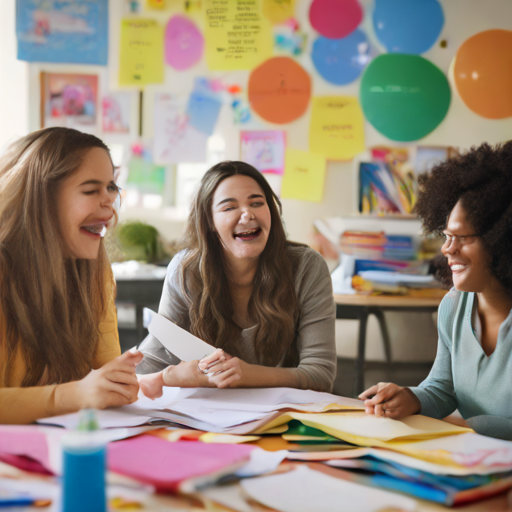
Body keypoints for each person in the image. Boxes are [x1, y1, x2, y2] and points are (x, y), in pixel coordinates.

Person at [137, 161, 336, 397]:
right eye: (229, 207)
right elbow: (149, 364)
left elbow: (320, 374)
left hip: (284, 416)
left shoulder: (307, 267)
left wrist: (248, 375)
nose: (247, 214)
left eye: (257, 203)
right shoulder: (185, 270)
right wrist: (170, 376)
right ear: (209, 221)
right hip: (208, 417)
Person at [359, 142, 512, 440]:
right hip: (475, 459)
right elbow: (443, 388)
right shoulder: (454, 306)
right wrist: (410, 398)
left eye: (461, 238)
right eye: (446, 236)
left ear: (502, 239)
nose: (446, 249)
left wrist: (469, 426)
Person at [0, 127, 142, 425]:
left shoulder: (95, 273)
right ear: (40, 200)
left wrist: (142, 381)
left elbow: (103, 378)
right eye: (91, 190)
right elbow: (81, 392)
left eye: (111, 188)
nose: (109, 203)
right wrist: (72, 395)